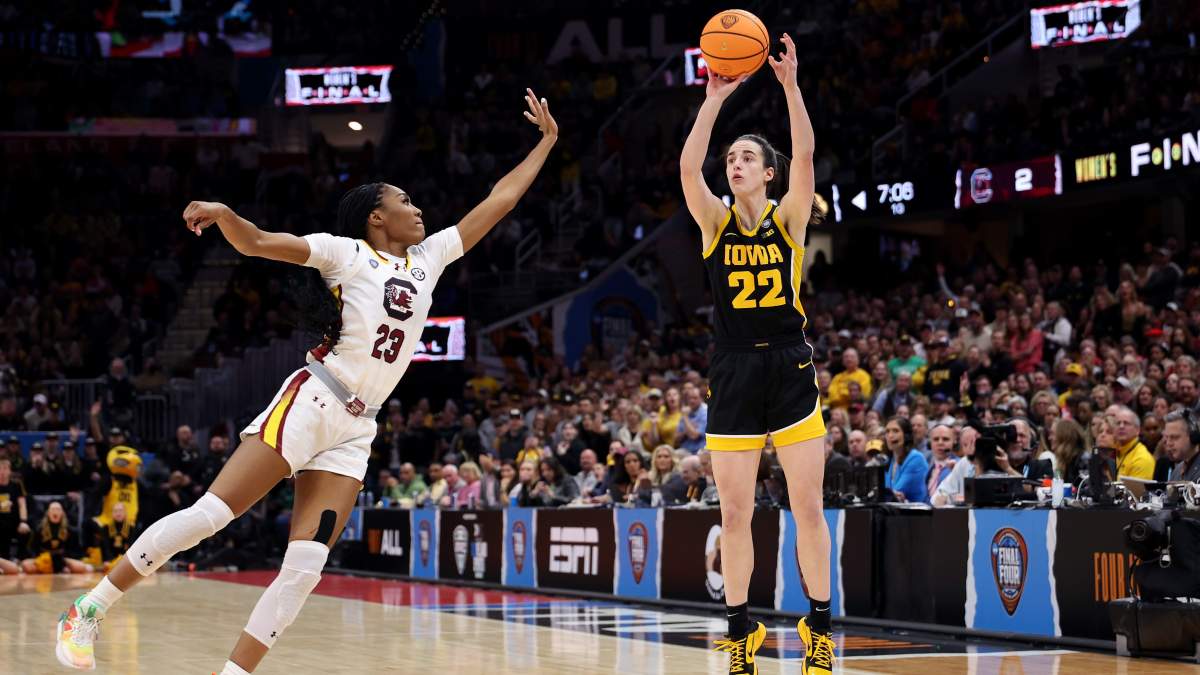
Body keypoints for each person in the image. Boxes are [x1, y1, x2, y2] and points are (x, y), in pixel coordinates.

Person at [57, 89, 559, 673]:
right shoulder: (344, 254)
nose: (418, 208)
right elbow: (258, 243)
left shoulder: (430, 258)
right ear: (376, 217)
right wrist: (225, 214)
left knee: (304, 568)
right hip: (315, 398)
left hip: (358, 428)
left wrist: (546, 142)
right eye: (404, 200)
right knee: (211, 515)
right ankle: (87, 610)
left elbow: (500, 199)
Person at [679, 33, 835, 672]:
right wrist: (714, 100)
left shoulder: (790, 217)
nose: (735, 164)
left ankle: (819, 629)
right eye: (732, 158)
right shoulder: (715, 223)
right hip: (734, 364)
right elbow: (687, 170)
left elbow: (806, 153)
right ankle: (741, 632)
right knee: (736, 512)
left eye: (747, 157)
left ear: (768, 173)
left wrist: (791, 88)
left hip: (790, 363)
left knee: (808, 508)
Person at [22, 501, 93, 574]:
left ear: (62, 513)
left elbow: (74, 550)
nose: (55, 511)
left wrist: (63, 561)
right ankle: (50, 569)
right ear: (48, 513)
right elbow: (32, 548)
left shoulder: (70, 530)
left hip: (63, 559)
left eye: (58, 509)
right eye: (53, 509)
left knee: (81, 567)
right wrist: (39, 559)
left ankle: (58, 569)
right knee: (25, 565)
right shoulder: (39, 529)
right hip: (44, 559)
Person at [883, 417, 928, 503]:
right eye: (887, 431)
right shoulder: (889, 460)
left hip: (916, 510)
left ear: (906, 436)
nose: (890, 435)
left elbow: (896, 492)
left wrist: (886, 493)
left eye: (895, 431)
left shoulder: (916, 458)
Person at [0, 458, 31, 574]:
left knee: (26, 531)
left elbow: (22, 505)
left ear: (10, 471)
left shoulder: (16, 485)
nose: (2, 472)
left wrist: (23, 521)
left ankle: (19, 559)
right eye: (0, 469)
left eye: (5, 468)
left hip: (13, 522)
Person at [1110, 406, 1155, 479]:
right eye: (1118, 423)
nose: (1121, 426)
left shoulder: (1142, 459)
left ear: (1137, 430)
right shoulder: (1113, 452)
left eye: (1126, 423)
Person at [1161, 411, 1200, 482]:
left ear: (1193, 436)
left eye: (1174, 437)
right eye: (1166, 437)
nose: (1168, 443)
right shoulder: (1177, 470)